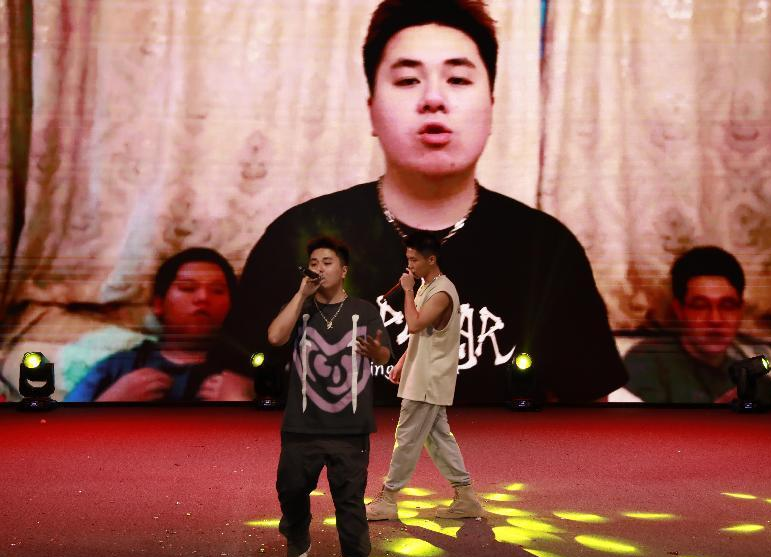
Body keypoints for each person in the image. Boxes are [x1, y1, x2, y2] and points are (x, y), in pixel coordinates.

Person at [220, 0, 628, 405]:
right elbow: (236, 392)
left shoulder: (547, 251)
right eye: (408, 80)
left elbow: (590, 414)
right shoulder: (297, 238)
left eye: (458, 79)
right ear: (371, 110)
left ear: (491, 105)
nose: (433, 98)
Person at [270, 237, 391, 557]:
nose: (319, 269)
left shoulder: (364, 310)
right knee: (291, 490)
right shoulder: (301, 307)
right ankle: (298, 541)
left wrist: (376, 352)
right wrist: (301, 296)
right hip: (302, 425)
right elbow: (275, 337)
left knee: (350, 501)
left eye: (327, 262)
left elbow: (385, 353)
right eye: (313, 263)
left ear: (344, 270)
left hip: (350, 427)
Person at [365, 232, 484, 521]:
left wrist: (407, 291)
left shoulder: (442, 291)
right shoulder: (426, 286)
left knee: (407, 437)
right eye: (408, 259)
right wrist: (403, 361)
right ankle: (466, 497)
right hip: (422, 375)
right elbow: (424, 336)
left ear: (431, 259)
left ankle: (388, 499)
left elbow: (416, 324)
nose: (410, 265)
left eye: (415, 260)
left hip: (428, 379)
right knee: (438, 438)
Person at [65, 247, 253, 402]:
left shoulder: (248, 374)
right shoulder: (118, 367)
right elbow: (65, 432)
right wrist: (112, 401)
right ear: (158, 305)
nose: (203, 297)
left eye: (217, 291)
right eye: (187, 288)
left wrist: (240, 402)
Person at [623, 246, 771, 404]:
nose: (715, 319)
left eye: (727, 306)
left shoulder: (758, 381)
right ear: (679, 310)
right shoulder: (647, 363)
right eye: (700, 306)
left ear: (740, 311)